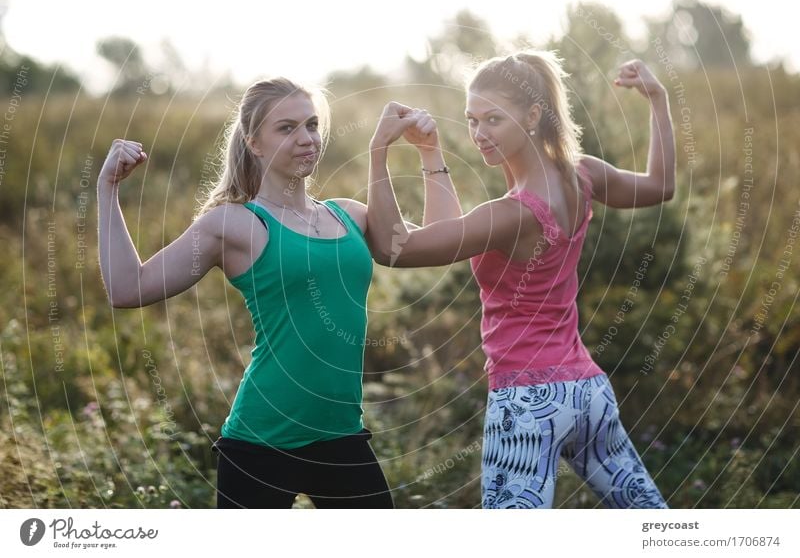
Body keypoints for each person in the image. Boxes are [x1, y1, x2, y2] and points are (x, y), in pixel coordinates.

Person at [96, 77, 451, 508]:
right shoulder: (235, 224)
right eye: (287, 128)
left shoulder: (350, 216)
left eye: (312, 125)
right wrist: (107, 188)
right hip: (260, 444)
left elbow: (439, 243)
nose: (307, 139)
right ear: (255, 143)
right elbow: (126, 287)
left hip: (342, 439)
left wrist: (425, 151)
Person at [366, 51, 675, 508]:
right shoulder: (581, 175)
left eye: (493, 119)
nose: (479, 134)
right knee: (650, 519)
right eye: (472, 120)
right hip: (586, 392)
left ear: (533, 115)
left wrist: (378, 155)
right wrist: (659, 100)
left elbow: (398, 249)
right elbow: (660, 185)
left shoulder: (509, 216)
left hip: (526, 402)